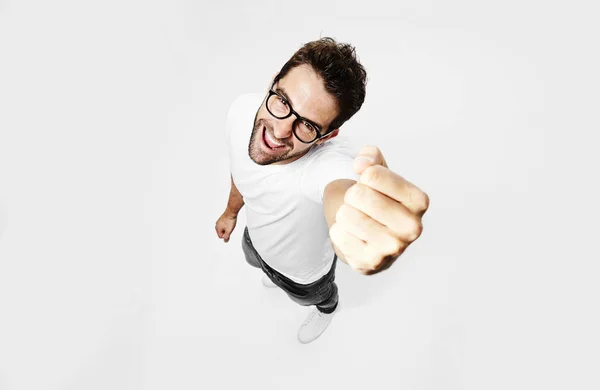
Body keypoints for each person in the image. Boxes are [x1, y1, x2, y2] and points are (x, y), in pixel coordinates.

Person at [215, 37, 429, 344]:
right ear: (271, 84)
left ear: (327, 137)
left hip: (305, 276)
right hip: (255, 243)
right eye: (283, 102)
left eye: (307, 125)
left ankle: (327, 310)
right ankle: (266, 269)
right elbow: (240, 169)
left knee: (320, 298)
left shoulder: (327, 166)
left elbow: (340, 189)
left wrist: (362, 217)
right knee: (254, 259)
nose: (280, 130)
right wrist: (231, 212)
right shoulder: (240, 112)